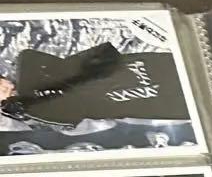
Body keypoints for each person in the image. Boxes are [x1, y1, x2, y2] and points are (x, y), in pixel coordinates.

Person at [0, 43, 190, 129]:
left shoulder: (27, 65)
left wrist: (24, 98)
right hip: (145, 100)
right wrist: (23, 108)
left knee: (189, 66)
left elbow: (30, 58)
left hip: (136, 70)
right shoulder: (34, 111)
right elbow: (69, 119)